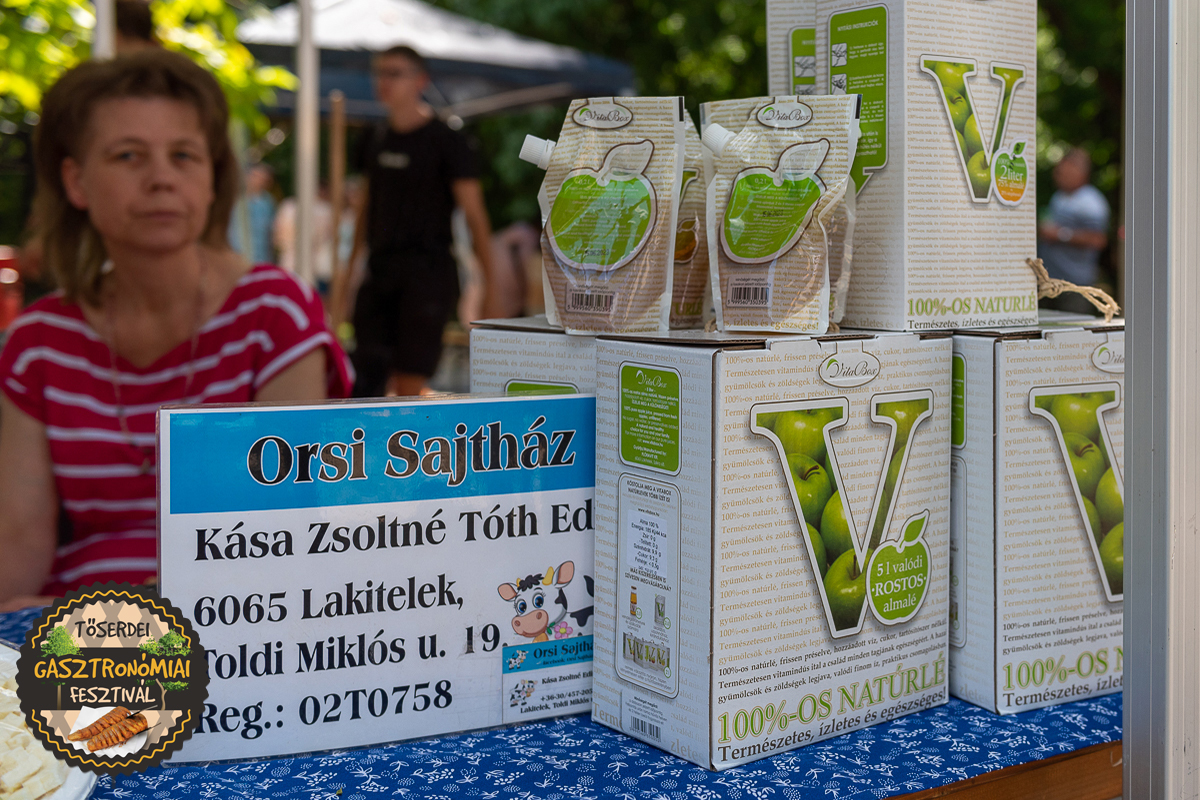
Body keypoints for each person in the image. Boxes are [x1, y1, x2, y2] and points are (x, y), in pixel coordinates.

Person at [0, 50, 353, 610]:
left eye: (184, 155)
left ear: (212, 179)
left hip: (242, 625)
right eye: (128, 155)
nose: (162, 178)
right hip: (69, 636)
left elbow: (291, 532)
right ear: (76, 181)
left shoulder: (274, 313)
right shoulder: (39, 343)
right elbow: (17, 547)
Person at [340, 45, 494, 397]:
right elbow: (364, 210)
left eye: (395, 73)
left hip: (427, 275)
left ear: (420, 80)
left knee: (409, 382)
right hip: (379, 273)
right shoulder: (373, 138)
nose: (385, 81)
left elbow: (476, 217)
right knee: (364, 382)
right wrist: (347, 277)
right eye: (380, 73)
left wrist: (491, 289)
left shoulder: (447, 141)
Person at [1037, 148, 1111, 315]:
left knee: (1074, 328)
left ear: (1079, 172)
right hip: (1052, 283)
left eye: (1063, 171)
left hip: (1076, 285)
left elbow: (1098, 240)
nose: (1057, 175)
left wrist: (1060, 235)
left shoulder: (1091, 202)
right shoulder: (1059, 196)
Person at [230, 163, 277, 266]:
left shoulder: (268, 202)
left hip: (261, 257)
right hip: (236, 256)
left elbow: (270, 232)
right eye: (255, 175)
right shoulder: (235, 199)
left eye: (262, 177)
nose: (258, 180)